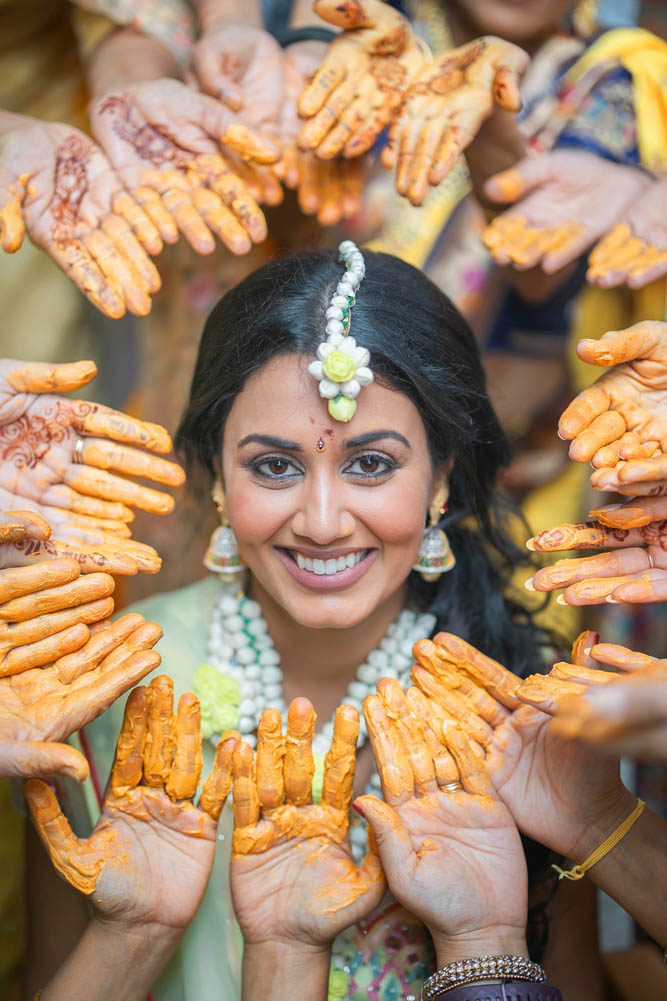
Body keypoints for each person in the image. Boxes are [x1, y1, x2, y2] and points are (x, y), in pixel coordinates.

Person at [35, 245, 609, 1001]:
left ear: (439, 473)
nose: (323, 521)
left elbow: (573, 985)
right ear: (215, 472)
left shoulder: (509, 706)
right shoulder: (114, 678)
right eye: (274, 466)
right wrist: (136, 932)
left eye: (371, 463)